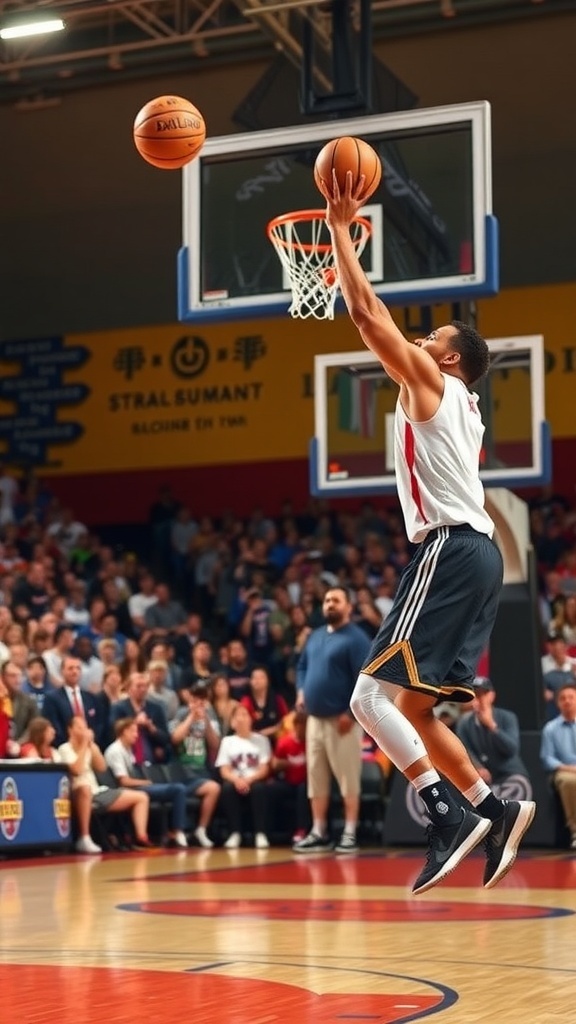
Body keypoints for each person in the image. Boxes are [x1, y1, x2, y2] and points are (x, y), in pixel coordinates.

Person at [319, 170, 535, 892]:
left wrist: (342, 227)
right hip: (478, 557)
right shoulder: (462, 400)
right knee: (416, 708)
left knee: (366, 700)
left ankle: (443, 815)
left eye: (433, 335)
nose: (421, 335)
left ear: (446, 360)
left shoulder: (433, 384)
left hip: (449, 547)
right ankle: (491, 809)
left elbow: (362, 310)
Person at [292, 586, 370, 855]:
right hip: (314, 719)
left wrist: (351, 714)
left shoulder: (357, 639)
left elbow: (365, 679)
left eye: (336, 600)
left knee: (348, 779)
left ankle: (349, 833)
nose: (329, 605)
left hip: (342, 721)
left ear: (349, 607)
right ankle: (318, 831)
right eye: (326, 600)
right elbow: (301, 666)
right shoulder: (314, 636)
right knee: (317, 779)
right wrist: (301, 691)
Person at [59, 715, 152, 854]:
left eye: (85, 727)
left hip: (98, 792)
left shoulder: (89, 747)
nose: (84, 731)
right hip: (79, 793)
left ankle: (141, 837)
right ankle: (84, 838)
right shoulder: (64, 749)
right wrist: (84, 744)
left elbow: (101, 767)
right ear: (70, 730)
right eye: (80, 728)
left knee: (141, 797)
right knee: (85, 789)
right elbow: (77, 770)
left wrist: (92, 745)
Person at [104, 717, 189, 848]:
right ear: (124, 731)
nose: (136, 735)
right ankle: (177, 831)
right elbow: (123, 781)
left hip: (133, 788)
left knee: (178, 788)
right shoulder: (115, 750)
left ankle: (174, 831)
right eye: (133, 731)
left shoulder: (127, 749)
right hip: (124, 790)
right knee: (178, 789)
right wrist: (145, 782)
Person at [456, 678, 532, 801]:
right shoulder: (464, 723)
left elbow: (512, 749)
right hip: (481, 777)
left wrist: (492, 726)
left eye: (483, 694)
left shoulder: (507, 717)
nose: (479, 699)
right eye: (475, 695)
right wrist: (477, 766)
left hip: (507, 774)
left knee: (519, 784)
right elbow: (464, 749)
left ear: (491, 696)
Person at [170, 681, 222, 848]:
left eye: (202, 699)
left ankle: (201, 829)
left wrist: (205, 719)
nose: (199, 703)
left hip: (202, 770)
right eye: (196, 698)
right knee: (213, 788)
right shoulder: (181, 713)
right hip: (180, 771)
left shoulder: (210, 715)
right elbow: (175, 738)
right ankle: (182, 830)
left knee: (213, 788)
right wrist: (191, 716)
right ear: (190, 698)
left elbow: (215, 745)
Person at [214, 703, 272, 849]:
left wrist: (249, 779)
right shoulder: (227, 742)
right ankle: (235, 833)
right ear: (232, 722)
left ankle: (260, 833)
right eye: (237, 715)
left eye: (245, 714)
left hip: (254, 779)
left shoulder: (261, 740)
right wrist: (237, 780)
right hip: (235, 780)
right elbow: (224, 770)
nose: (241, 718)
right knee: (227, 789)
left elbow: (264, 768)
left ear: (250, 719)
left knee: (259, 789)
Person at [540, 682, 576, 849]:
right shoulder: (550, 728)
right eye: (563, 698)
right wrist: (568, 768)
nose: (567, 701)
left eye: (571, 697)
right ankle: (575, 831)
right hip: (563, 771)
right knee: (569, 781)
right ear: (558, 703)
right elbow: (547, 758)